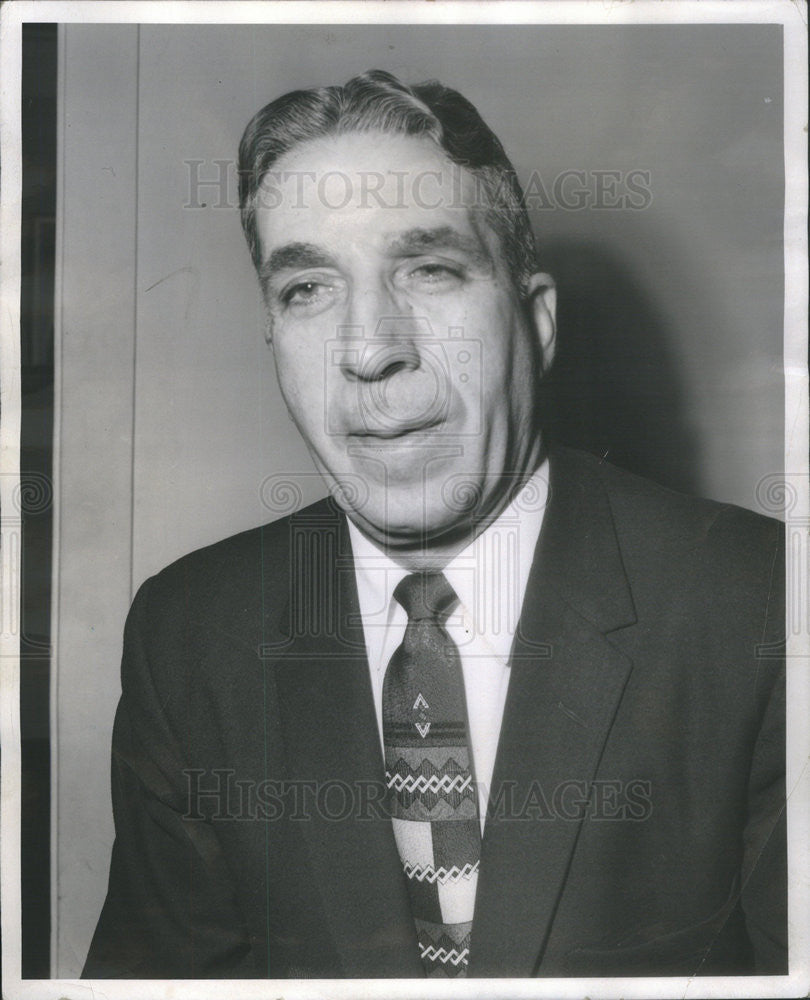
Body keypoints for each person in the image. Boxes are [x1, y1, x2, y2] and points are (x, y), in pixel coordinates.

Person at [83, 70, 786, 979]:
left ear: (534, 323)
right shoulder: (189, 636)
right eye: (307, 287)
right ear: (274, 341)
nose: (371, 348)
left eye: (429, 269)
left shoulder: (758, 602)